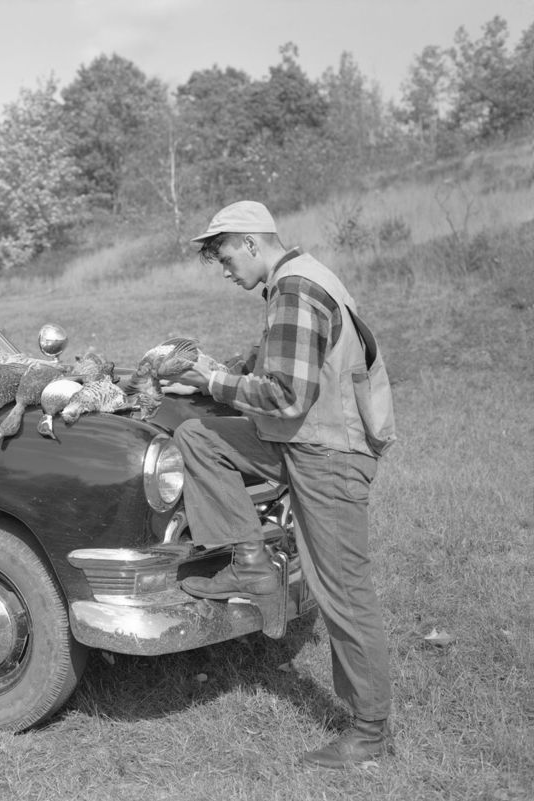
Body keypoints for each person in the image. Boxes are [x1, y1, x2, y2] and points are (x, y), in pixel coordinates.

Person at [172, 200, 397, 769]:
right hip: (298, 440)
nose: (224, 270)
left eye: (225, 257)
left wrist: (213, 379)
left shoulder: (296, 288)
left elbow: (285, 395)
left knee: (343, 591)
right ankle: (253, 566)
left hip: (328, 453)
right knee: (200, 436)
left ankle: (369, 733)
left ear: (251, 242)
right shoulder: (297, 279)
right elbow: (286, 375)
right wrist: (209, 383)